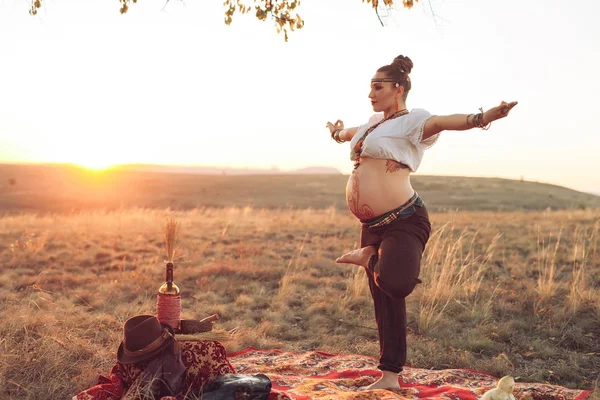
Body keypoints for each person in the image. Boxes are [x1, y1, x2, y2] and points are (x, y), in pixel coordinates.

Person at [326, 55, 517, 391]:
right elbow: (349, 134)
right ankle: (389, 376)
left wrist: (483, 116)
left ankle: (369, 257)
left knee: (397, 285)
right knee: (384, 298)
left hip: (405, 219)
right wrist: (336, 132)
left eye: (378, 86)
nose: (371, 92)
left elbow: (445, 122)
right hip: (372, 224)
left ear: (398, 89)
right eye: (370, 86)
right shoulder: (372, 123)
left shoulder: (414, 121)